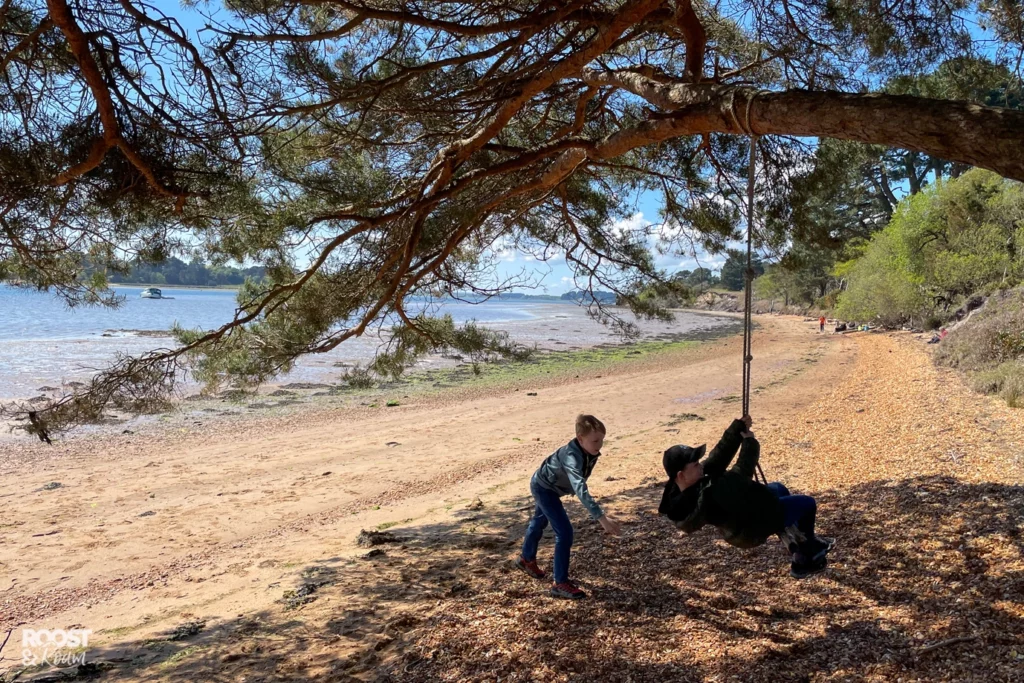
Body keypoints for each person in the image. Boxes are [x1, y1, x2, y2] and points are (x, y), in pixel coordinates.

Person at [658, 416, 833, 578]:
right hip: (752, 526)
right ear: (681, 475)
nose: (700, 466)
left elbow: (715, 460)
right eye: (696, 464)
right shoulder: (709, 494)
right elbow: (741, 473)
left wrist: (737, 430)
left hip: (745, 514)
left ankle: (797, 548)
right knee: (808, 504)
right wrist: (750, 443)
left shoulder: (682, 486)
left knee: (779, 488)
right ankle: (809, 551)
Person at [515, 414, 622, 599]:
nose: (599, 445)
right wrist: (601, 518)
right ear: (580, 439)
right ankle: (560, 583)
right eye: (595, 440)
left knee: (540, 521)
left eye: (602, 440)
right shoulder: (572, 457)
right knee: (564, 532)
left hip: (550, 486)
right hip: (543, 487)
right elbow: (580, 487)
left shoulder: (589, 451)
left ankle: (526, 559)